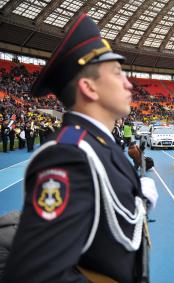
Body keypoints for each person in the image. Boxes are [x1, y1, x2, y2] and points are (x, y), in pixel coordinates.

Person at [3, 14, 158, 283]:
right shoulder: (67, 156)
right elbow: (37, 275)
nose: (129, 83)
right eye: (117, 73)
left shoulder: (97, 145)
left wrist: (139, 201)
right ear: (89, 87)